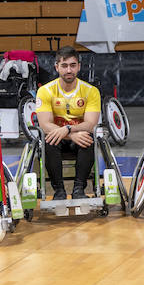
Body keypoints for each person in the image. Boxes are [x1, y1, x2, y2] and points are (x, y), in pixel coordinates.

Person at [34, 47, 101, 201]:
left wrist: (69, 128)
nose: (68, 70)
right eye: (64, 66)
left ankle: (79, 188)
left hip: (79, 136)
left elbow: (90, 123)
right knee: (49, 139)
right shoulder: (45, 91)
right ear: (56, 67)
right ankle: (59, 190)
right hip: (61, 138)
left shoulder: (91, 91)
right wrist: (70, 134)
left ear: (79, 66)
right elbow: (45, 124)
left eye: (72, 65)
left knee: (89, 139)